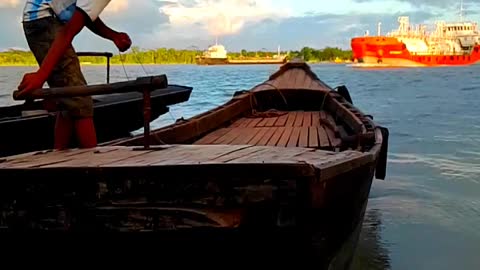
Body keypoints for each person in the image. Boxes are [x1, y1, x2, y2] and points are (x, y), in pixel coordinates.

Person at [17, 0, 132, 149]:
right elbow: (68, 31)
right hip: (43, 20)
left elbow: (84, 14)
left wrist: (113, 36)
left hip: (43, 19)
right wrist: (40, 76)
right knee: (80, 100)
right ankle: (92, 165)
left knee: (68, 100)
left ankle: (59, 157)